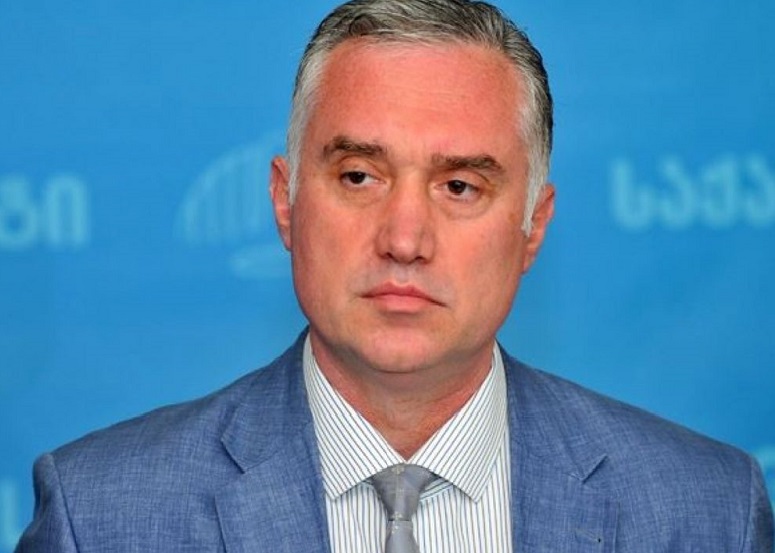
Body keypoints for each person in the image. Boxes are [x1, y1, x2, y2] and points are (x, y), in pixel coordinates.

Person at [15, 0, 773, 551]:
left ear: (533, 226)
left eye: (460, 186)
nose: (405, 240)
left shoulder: (707, 514)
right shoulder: (103, 517)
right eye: (358, 176)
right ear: (285, 202)